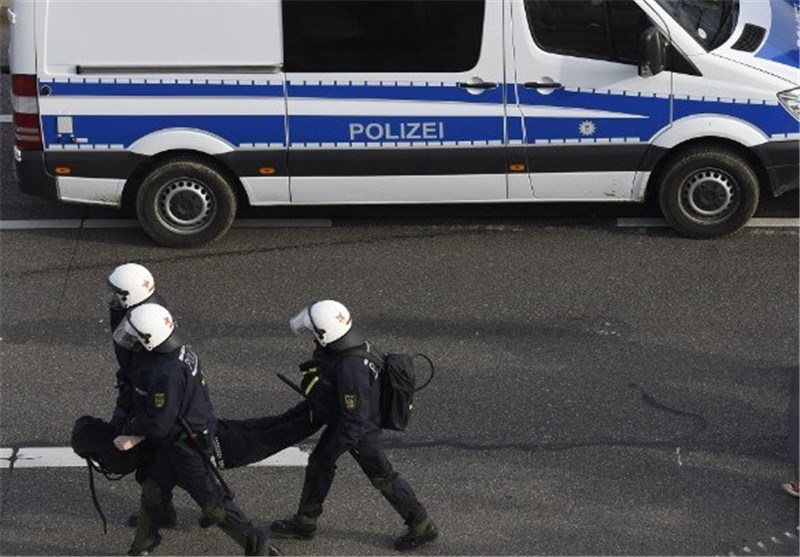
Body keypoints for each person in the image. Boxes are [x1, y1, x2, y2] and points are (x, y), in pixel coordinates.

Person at [269, 300, 438, 551]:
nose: (312, 335)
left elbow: (353, 420)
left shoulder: (350, 369)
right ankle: (304, 522)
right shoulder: (350, 342)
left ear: (327, 334)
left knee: (382, 475)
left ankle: (422, 526)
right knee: (319, 463)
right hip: (353, 419)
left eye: (314, 331)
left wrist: (332, 448)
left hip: (359, 428)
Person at [112, 303, 278, 556]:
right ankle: (141, 548)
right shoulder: (178, 347)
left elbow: (160, 423)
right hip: (182, 435)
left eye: (135, 334)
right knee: (153, 491)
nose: (129, 338)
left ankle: (262, 550)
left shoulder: (162, 372)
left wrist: (132, 431)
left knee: (213, 505)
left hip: (184, 444)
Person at [104, 263, 179, 529]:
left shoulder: (141, 321)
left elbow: (144, 371)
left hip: (145, 398)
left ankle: (159, 514)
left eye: (115, 293)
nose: (109, 298)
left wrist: (131, 408)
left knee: (152, 462)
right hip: (137, 390)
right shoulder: (142, 312)